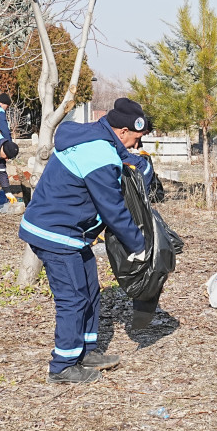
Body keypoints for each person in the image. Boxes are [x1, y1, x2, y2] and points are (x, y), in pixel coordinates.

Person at [19, 98, 151, 384]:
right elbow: (111, 207)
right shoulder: (99, 154)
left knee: (90, 288)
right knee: (73, 297)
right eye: (135, 139)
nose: (135, 146)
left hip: (71, 232)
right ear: (123, 131)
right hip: (56, 232)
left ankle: (86, 351)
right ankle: (63, 366)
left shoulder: (97, 138)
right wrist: (138, 245)